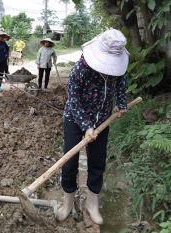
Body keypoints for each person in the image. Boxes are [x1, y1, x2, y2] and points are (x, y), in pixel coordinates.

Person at [56, 29, 129, 225]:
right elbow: (73, 99)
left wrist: (121, 103)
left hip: (102, 119)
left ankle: (92, 203)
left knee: (97, 162)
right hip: (75, 118)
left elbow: (121, 83)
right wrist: (86, 125)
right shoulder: (81, 68)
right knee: (70, 161)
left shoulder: (119, 67)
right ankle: (67, 203)